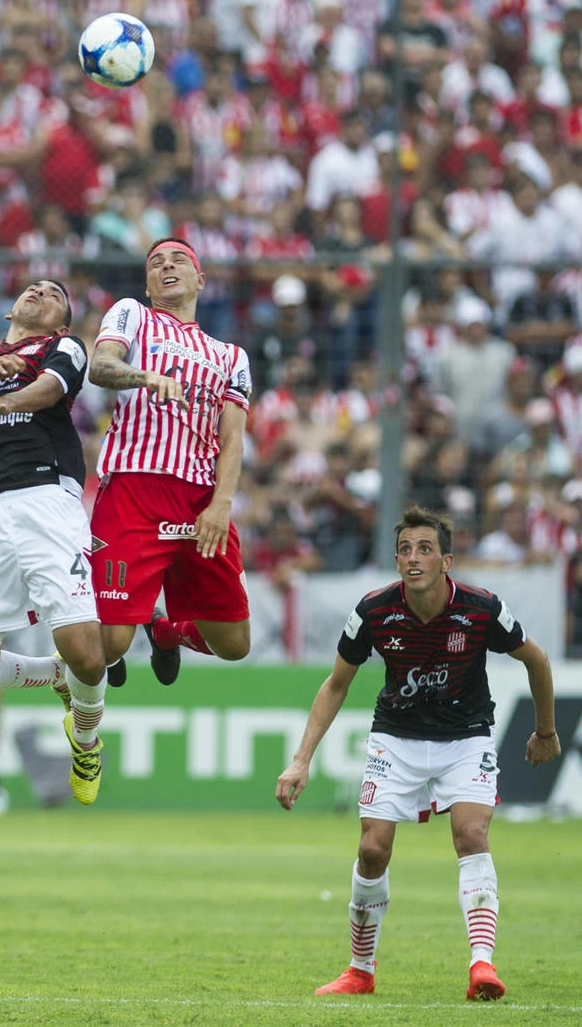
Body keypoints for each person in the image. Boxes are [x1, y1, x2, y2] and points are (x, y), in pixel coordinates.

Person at [276, 505, 561, 1001]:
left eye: (425, 549)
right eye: (405, 549)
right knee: (372, 848)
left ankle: (482, 965)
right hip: (396, 738)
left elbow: (536, 659)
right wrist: (301, 759)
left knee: (471, 834)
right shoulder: (374, 611)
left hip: (466, 737)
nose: (413, 558)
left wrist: (546, 731)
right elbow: (336, 683)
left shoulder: (481, 607)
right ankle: (360, 971)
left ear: (446, 561)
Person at [0, 279, 107, 805]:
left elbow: (50, 391)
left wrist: (3, 400)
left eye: (54, 293)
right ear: (11, 309)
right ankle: (51, 674)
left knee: (88, 655)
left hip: (45, 498)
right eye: (33, 288)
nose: (40, 291)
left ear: (63, 321)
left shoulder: (65, 346)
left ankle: (86, 741)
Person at [87, 238, 252, 688]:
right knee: (109, 646)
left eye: (179, 259)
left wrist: (222, 504)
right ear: (147, 285)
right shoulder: (133, 314)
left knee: (234, 644)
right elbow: (100, 367)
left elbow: (232, 438)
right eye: (156, 263)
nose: (167, 266)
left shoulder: (231, 356)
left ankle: (165, 632)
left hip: (200, 500)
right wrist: (145, 377)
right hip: (134, 490)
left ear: (200, 279)